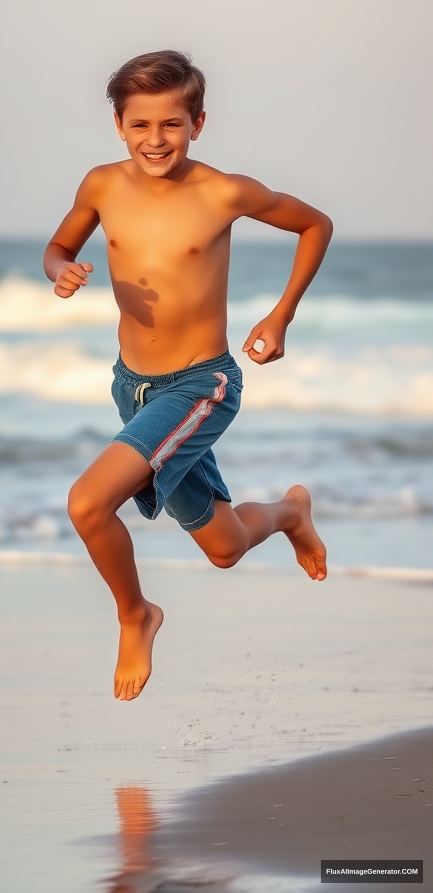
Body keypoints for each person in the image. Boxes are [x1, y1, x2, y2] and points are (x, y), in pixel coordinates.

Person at [43, 50, 333, 702]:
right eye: (141, 125)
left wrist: (280, 315)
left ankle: (135, 614)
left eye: (171, 124)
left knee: (88, 504)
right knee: (224, 548)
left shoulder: (222, 192)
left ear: (198, 122)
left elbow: (316, 223)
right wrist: (58, 268)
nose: (155, 140)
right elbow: (59, 245)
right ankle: (291, 513)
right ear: (119, 124)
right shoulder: (101, 185)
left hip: (202, 387)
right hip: (132, 388)